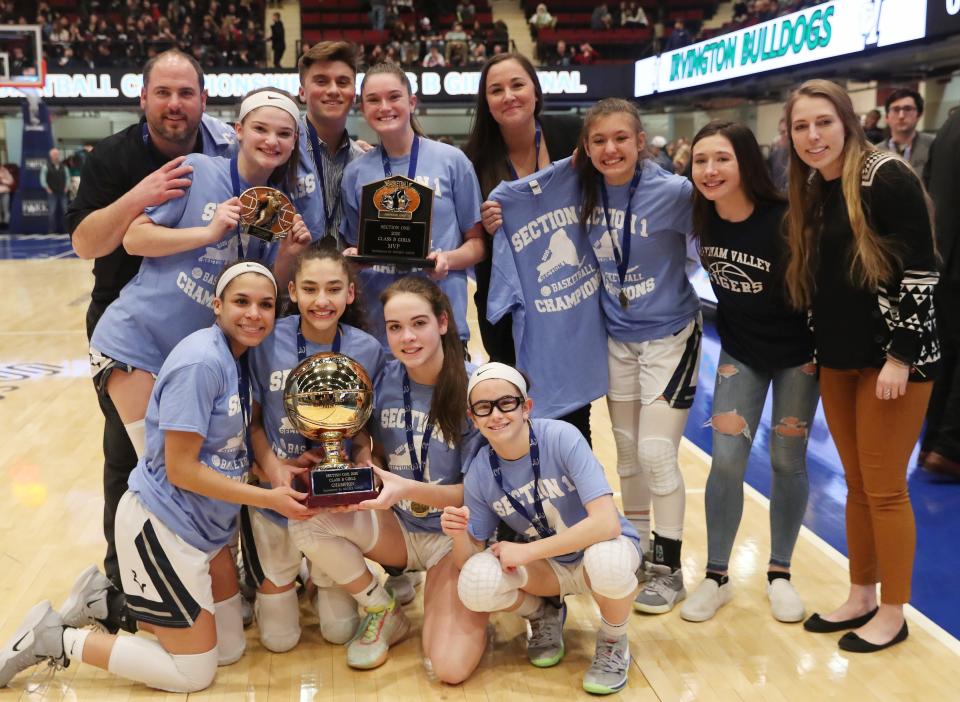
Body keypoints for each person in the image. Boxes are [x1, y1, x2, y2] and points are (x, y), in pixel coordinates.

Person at [0, 262, 320, 692]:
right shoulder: (201, 363)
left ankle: (103, 599)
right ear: (217, 305)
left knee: (229, 650)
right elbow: (180, 469)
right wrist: (268, 498)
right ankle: (57, 639)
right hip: (163, 528)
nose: (254, 314)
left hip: (205, 533)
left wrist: (275, 470)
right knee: (195, 672)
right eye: (241, 302)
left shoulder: (238, 357)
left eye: (265, 304)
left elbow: (229, 447)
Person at [66, 49, 236, 632]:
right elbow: (87, 243)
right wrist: (143, 194)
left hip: (195, 339)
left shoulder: (220, 152)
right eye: (162, 93)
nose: (174, 105)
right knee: (132, 463)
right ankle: (121, 586)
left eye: (185, 93)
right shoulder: (113, 157)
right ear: (143, 99)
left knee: (206, 458)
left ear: (202, 101)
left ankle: (214, 579)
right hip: (130, 334)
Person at [88, 87, 312, 484]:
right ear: (238, 130)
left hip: (196, 360)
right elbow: (134, 239)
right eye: (260, 128)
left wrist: (287, 256)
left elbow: (261, 292)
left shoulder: (275, 204)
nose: (271, 141)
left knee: (193, 473)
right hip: (136, 344)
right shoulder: (197, 168)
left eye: (284, 134)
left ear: (295, 142)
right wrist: (208, 232)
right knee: (162, 472)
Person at [784, 79, 938, 652]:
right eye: (801, 126)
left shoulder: (885, 176)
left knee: (886, 487)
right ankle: (861, 593)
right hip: (840, 360)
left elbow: (922, 272)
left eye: (823, 122)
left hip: (892, 363)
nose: (812, 135)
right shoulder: (816, 188)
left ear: (847, 121)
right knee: (856, 485)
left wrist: (901, 356)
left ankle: (894, 612)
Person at [289, 276, 488, 681]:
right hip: (398, 527)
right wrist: (360, 461)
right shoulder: (382, 379)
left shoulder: (476, 387)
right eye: (395, 327)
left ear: (444, 323)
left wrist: (405, 488)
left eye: (419, 324)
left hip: (454, 538)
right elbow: (371, 440)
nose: (407, 337)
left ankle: (500, 600)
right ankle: (381, 607)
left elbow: (481, 494)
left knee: (448, 667)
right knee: (308, 521)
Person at [680, 121, 817, 624]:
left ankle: (780, 573)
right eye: (700, 161)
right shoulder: (700, 216)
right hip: (742, 353)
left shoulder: (785, 218)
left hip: (799, 356)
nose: (710, 170)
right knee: (728, 461)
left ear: (746, 165)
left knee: (787, 461)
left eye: (722, 159)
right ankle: (716, 577)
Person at [444, 362, 643, 695]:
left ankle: (613, 639)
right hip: (550, 569)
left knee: (607, 564)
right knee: (475, 583)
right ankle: (542, 614)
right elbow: (467, 559)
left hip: (601, 550)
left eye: (506, 403)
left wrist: (527, 551)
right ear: (472, 417)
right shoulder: (479, 472)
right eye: (483, 407)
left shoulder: (561, 437)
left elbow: (606, 523)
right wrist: (458, 536)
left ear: (526, 407)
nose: (496, 414)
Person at [575, 98, 701, 614]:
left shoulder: (675, 192)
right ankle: (640, 551)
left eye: (620, 138)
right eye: (599, 140)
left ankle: (670, 567)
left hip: (670, 335)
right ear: (587, 147)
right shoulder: (579, 192)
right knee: (627, 453)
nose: (610, 148)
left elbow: (724, 225)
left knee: (655, 452)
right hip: (617, 338)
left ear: (641, 141)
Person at [245, 243, 386, 652]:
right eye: (309, 289)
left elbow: (365, 429)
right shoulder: (267, 341)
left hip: (333, 500)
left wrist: (359, 462)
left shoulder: (367, 350)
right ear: (292, 291)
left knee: (339, 632)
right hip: (275, 494)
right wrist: (272, 468)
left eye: (333, 289)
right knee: (279, 640)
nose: (321, 301)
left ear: (350, 294)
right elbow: (251, 422)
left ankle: (321, 576)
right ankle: (285, 580)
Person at [340, 62, 484, 351]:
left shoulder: (452, 161)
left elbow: (477, 244)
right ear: (362, 107)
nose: (384, 107)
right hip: (379, 329)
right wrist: (354, 258)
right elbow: (354, 248)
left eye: (394, 97)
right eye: (373, 99)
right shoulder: (355, 173)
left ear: (412, 102)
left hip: (440, 322)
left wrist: (446, 260)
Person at [462, 52, 582, 367]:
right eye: (496, 90)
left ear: (536, 91)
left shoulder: (573, 135)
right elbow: (468, 237)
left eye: (517, 84)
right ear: (486, 102)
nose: (509, 96)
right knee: (515, 401)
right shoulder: (472, 160)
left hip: (571, 294)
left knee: (575, 408)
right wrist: (485, 228)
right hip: (510, 306)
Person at [920, 105, 960, 479]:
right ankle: (950, 449)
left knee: (944, 355)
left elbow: (928, 191)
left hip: (942, 257)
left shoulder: (948, 126)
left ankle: (931, 443)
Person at [297, 41, 369, 246]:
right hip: (292, 275)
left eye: (343, 82)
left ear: (353, 94)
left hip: (347, 275)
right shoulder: (283, 152)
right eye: (321, 81)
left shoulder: (364, 160)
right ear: (302, 92)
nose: (333, 90)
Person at [880, 88, 934, 176]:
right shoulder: (876, 152)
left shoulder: (933, 146)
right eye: (896, 109)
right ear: (887, 117)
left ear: (919, 115)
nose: (901, 116)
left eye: (908, 109)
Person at [40, 147, 70, 234]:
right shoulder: (46, 167)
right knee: (52, 212)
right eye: (54, 154)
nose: (56, 156)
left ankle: (67, 230)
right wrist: (47, 188)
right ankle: (52, 231)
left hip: (62, 192)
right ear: (51, 156)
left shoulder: (64, 167)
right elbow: (42, 179)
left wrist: (67, 187)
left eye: (57, 154)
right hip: (52, 193)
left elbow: (68, 177)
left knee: (65, 212)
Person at [0, 163, 13, 228]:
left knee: (6, 208)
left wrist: (3, 181)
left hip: (5, 192)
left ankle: (6, 223)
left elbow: (11, 181)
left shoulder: (5, 171)